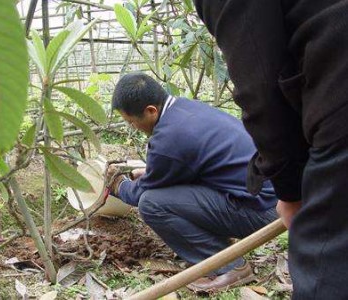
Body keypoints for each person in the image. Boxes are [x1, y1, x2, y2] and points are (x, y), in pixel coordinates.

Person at [191, 1, 348, 298]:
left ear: (148, 110)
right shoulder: (192, 114)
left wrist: (291, 192)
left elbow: (261, 86)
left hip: (338, 106)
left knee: (328, 270)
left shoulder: (168, 137)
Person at [108, 73, 278, 292]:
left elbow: (138, 194)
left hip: (260, 212)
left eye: (131, 121)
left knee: (151, 204)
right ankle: (220, 248)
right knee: (159, 194)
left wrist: (117, 184)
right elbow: (192, 164)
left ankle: (229, 267)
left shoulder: (169, 138)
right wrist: (151, 172)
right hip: (273, 194)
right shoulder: (185, 109)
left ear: (151, 111)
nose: (132, 126)